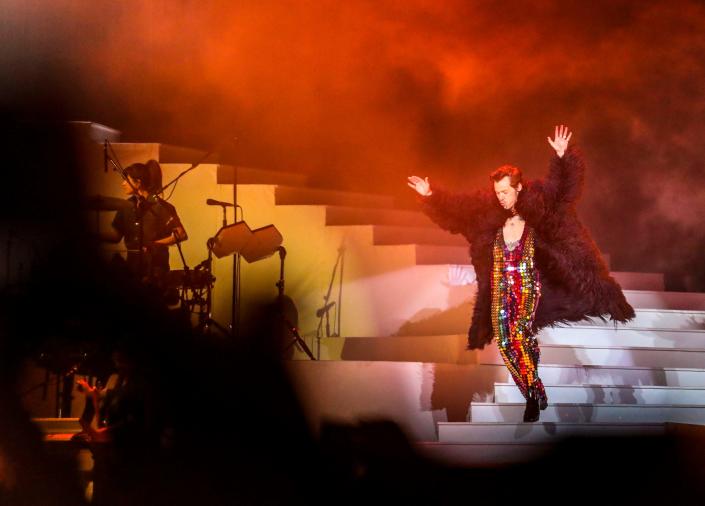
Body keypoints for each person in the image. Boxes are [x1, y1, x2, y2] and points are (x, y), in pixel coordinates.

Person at [407, 125, 635, 422]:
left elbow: (565, 190)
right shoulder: (488, 217)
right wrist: (430, 196)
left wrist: (564, 156)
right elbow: (456, 212)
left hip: (529, 287)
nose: (501, 197)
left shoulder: (539, 208)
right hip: (501, 290)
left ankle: (530, 395)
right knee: (505, 342)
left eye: (505, 192)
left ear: (519, 188)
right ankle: (534, 389)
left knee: (519, 334)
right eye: (497, 192)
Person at [101, 160, 188, 288]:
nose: (123, 183)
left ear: (138, 182)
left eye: (126, 180)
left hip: (156, 270)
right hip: (131, 270)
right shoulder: (125, 206)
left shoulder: (161, 207)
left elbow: (181, 234)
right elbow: (116, 237)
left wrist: (154, 244)